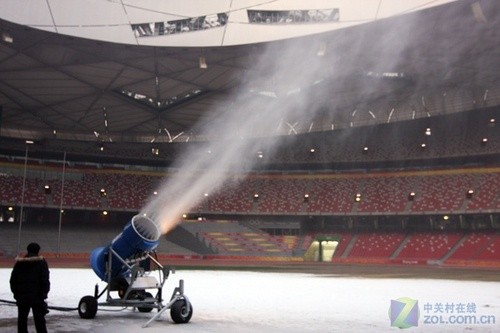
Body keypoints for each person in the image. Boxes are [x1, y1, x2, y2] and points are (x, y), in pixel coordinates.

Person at [10, 242, 50, 333]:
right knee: (39, 321)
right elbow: (45, 280)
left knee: (22, 320)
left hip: (22, 297)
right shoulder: (41, 263)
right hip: (37, 297)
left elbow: (13, 280)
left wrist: (16, 294)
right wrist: (43, 294)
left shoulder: (19, 263)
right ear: (38, 251)